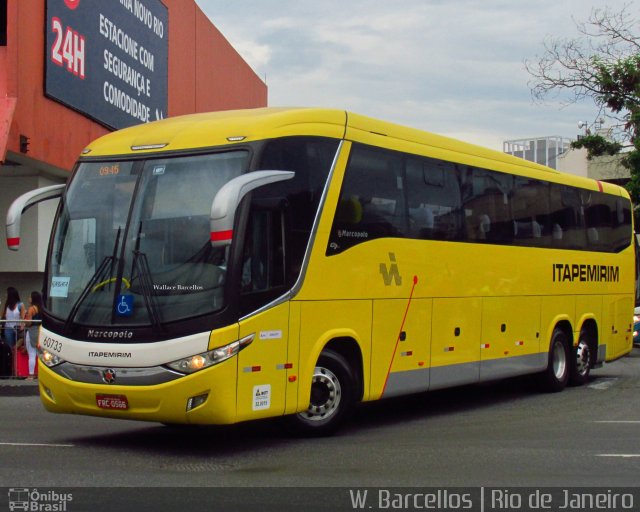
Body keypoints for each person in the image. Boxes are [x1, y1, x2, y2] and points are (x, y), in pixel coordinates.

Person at [24, 291, 42, 379]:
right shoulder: (42, 308)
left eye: (30, 297)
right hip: (40, 331)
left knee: (31, 354)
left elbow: (29, 323)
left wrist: (25, 319)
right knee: (40, 355)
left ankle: (31, 375)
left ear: (33, 299)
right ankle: (41, 374)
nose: (28, 298)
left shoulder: (31, 309)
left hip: (32, 331)